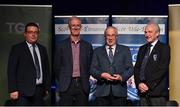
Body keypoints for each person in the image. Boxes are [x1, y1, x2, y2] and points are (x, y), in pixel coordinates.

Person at [7, 22, 50, 105]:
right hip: (23, 93)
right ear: (25, 34)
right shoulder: (17, 49)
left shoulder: (42, 49)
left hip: (40, 91)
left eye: (36, 32)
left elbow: (46, 70)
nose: (33, 35)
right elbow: (11, 70)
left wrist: (47, 87)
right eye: (30, 32)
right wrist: (13, 89)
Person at [54, 16, 93, 105]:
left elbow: (90, 65)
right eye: (73, 25)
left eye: (78, 25)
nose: (75, 27)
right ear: (69, 27)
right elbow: (56, 67)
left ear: (81, 27)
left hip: (82, 84)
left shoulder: (87, 46)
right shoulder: (61, 45)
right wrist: (63, 79)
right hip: (67, 85)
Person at [90, 26, 133, 106]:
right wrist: (101, 75)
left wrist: (121, 77)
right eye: (108, 35)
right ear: (105, 36)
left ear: (116, 36)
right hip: (102, 92)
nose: (110, 38)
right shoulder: (97, 51)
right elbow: (92, 69)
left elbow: (130, 69)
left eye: (113, 35)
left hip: (119, 92)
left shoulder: (125, 50)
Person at [134, 22, 170, 106]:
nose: (147, 34)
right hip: (143, 94)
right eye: (145, 32)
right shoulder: (142, 48)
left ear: (157, 33)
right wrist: (139, 84)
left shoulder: (164, 48)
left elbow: (162, 69)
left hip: (157, 94)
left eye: (150, 32)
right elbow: (137, 68)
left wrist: (148, 85)